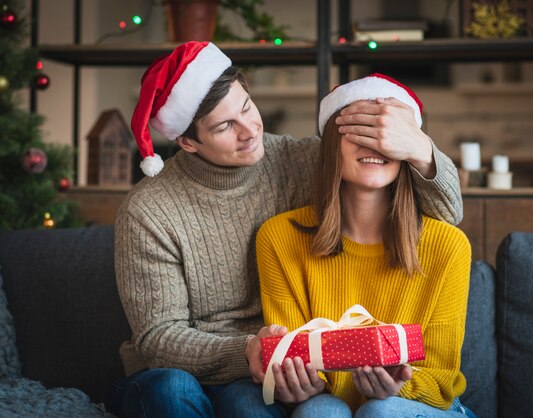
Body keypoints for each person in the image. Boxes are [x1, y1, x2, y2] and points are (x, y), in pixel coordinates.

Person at [111, 41, 463, 418]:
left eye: (247, 107)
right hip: (189, 366)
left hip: (271, 367)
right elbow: (158, 337)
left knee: (249, 404)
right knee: (173, 388)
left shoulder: (302, 159)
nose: (250, 131)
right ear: (186, 142)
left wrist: (421, 150)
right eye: (225, 126)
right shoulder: (148, 211)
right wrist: (247, 349)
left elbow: (445, 214)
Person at [257, 73, 476, 417]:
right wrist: (297, 385)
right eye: (360, 130)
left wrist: (400, 385)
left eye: (388, 136)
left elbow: (442, 383)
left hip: (423, 408)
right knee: (320, 411)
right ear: (331, 143)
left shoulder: (448, 246)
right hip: (328, 405)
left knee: (381, 411)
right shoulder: (278, 238)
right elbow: (294, 356)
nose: (374, 145)